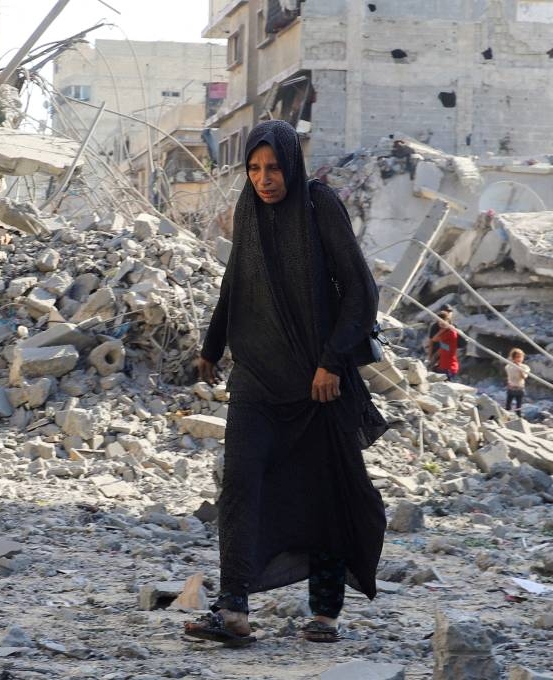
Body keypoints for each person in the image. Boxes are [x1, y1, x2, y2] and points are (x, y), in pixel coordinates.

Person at [183, 120, 386, 647]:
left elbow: (361, 292)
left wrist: (332, 362)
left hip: (318, 384)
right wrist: (211, 347)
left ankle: (325, 614)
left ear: (291, 165)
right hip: (256, 379)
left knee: (324, 494)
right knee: (240, 484)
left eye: (273, 167)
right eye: (254, 168)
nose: (264, 178)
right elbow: (235, 281)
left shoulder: (320, 205)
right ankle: (233, 609)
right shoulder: (248, 209)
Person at [430, 311, 459, 381]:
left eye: (443, 322)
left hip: (449, 368)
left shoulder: (451, 332)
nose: (441, 324)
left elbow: (434, 339)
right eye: (439, 322)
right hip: (442, 366)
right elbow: (444, 348)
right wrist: (433, 357)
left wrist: (444, 329)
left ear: (448, 321)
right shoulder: (445, 332)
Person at [505, 348, 530, 418]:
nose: (519, 359)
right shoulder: (509, 366)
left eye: (520, 357)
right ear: (513, 358)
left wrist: (520, 369)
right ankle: (507, 418)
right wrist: (514, 365)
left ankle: (519, 418)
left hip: (519, 389)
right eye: (517, 357)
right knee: (508, 406)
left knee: (518, 407)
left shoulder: (525, 367)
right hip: (511, 389)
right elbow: (509, 375)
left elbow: (524, 377)